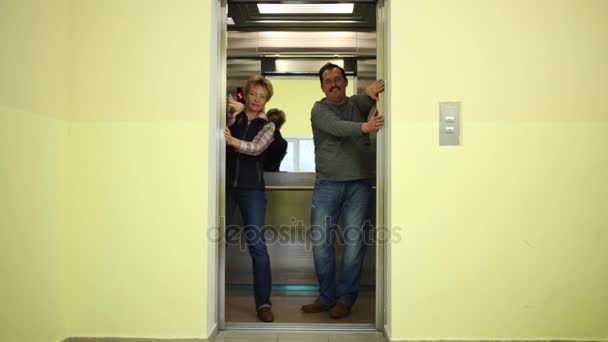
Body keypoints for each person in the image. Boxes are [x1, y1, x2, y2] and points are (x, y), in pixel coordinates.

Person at [301, 62, 385, 319]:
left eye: (338, 78)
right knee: (321, 245)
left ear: (346, 82)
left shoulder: (355, 105)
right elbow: (337, 127)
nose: (334, 83)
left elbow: (362, 99)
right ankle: (326, 297)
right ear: (322, 86)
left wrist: (371, 91)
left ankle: (345, 299)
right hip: (327, 185)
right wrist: (365, 127)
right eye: (328, 81)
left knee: (353, 245)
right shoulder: (320, 109)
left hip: (359, 185)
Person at [224, 75, 276, 322]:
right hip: (223, 189)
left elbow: (255, 148)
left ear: (267, 100)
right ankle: (205, 299)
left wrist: (232, 140)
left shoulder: (267, 126)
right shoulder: (233, 117)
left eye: (262, 96)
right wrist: (231, 110)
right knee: (213, 243)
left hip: (252, 191)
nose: (257, 99)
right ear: (247, 93)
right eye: (253, 94)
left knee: (257, 247)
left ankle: (263, 304)